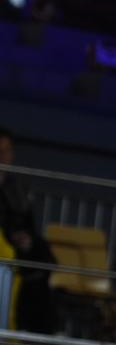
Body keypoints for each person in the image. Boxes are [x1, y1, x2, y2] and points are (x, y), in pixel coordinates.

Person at [0, 128, 57, 333]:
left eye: (6, 151)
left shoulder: (15, 188)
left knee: (42, 259)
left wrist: (27, 239)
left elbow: (27, 222)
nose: (2, 156)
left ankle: (40, 334)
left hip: (19, 245)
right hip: (4, 244)